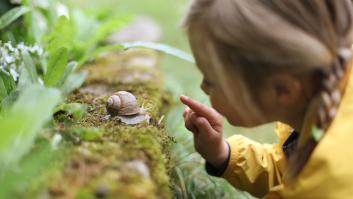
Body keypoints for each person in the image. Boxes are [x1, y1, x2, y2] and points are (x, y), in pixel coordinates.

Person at [180, 0, 353, 198]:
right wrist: (223, 154)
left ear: (283, 90)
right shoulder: (323, 97)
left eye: (212, 80)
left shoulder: (329, 183)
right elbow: (292, 174)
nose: (203, 87)